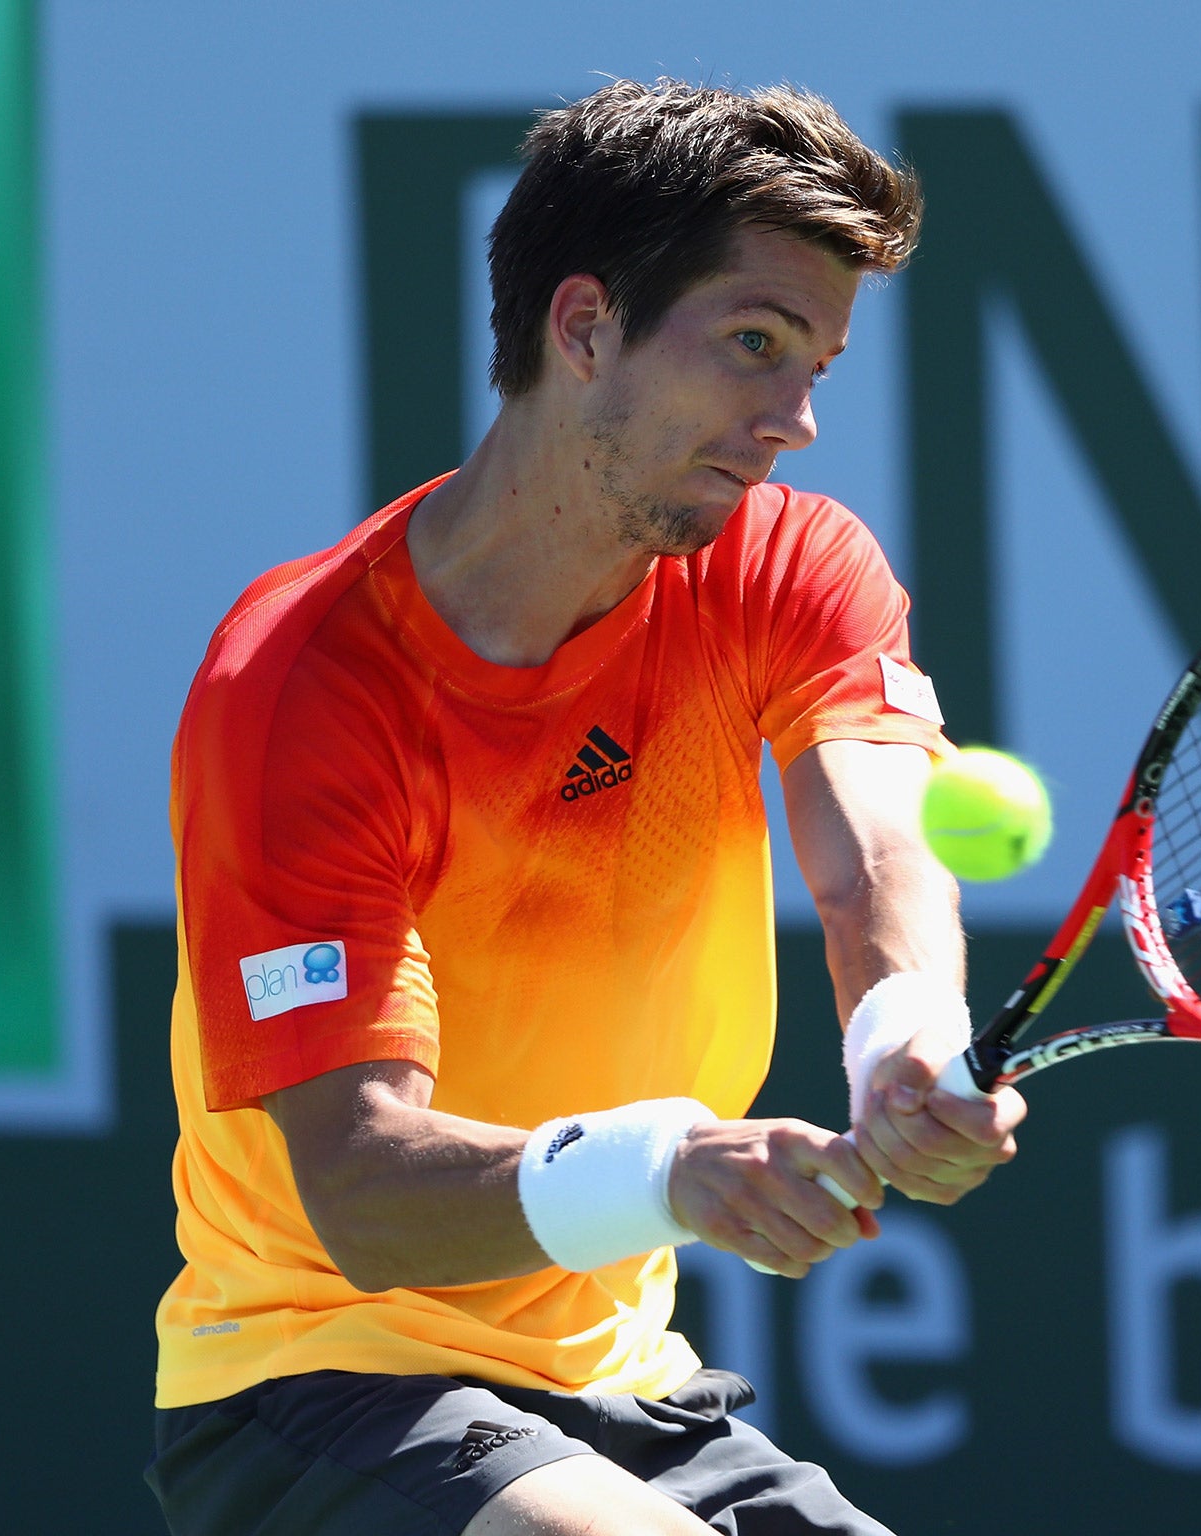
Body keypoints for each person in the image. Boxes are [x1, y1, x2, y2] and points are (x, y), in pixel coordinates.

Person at [144, 77, 1027, 1536]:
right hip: (318, 1385)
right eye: (754, 344)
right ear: (584, 326)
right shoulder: (303, 687)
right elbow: (365, 1194)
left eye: (816, 364)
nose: (794, 420)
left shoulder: (788, 567)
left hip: (628, 1390)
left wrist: (903, 1043)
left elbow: (874, 846)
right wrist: (674, 1167)